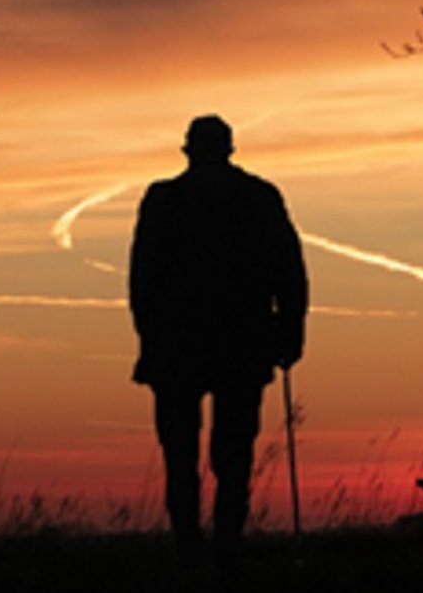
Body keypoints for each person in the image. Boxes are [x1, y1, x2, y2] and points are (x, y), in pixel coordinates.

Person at [129, 114, 308, 572]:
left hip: (178, 348)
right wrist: (289, 334)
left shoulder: (164, 200)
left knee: (180, 456)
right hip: (241, 346)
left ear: (189, 151)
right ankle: (226, 549)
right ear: (229, 150)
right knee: (234, 457)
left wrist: (150, 339)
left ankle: (188, 550)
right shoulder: (259, 198)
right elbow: (289, 273)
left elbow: (142, 281)